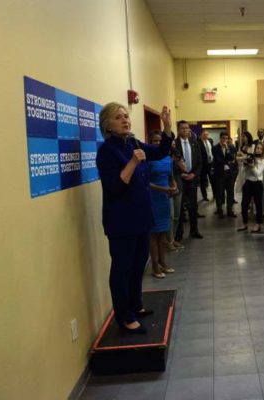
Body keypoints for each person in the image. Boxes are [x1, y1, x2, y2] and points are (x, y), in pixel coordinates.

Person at [96, 103, 173, 334]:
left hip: (141, 218)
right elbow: (114, 187)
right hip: (121, 222)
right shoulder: (107, 151)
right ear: (108, 125)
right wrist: (132, 163)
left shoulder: (133, 142)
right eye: (118, 117)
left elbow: (159, 152)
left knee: (139, 264)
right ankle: (125, 317)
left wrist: (167, 127)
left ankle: (135, 305)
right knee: (122, 270)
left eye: (126, 116)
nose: (125, 120)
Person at [148, 132, 177, 278]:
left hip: (165, 198)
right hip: (153, 198)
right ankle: (154, 266)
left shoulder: (167, 158)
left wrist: (174, 186)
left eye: (160, 141)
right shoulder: (147, 159)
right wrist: (165, 189)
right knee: (153, 234)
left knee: (163, 233)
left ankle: (163, 262)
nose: (157, 143)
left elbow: (171, 177)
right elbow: (146, 183)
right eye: (154, 141)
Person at [174, 121, 203, 240]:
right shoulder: (174, 144)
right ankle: (179, 232)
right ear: (178, 130)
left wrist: (193, 175)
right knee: (180, 207)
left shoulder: (194, 143)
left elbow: (199, 162)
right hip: (180, 179)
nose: (186, 130)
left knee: (193, 206)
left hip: (192, 179)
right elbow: (173, 162)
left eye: (187, 128)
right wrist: (181, 174)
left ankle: (194, 230)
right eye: (183, 128)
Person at [236, 142, 264, 233]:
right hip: (248, 183)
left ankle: (258, 225)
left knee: (258, 205)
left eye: (260, 148)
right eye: (257, 148)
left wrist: (252, 166)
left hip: (257, 184)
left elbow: (258, 174)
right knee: (244, 204)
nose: (258, 149)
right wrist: (244, 165)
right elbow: (243, 171)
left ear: (263, 150)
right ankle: (245, 223)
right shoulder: (251, 157)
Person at [212, 131, 237, 218]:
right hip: (220, 173)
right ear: (220, 138)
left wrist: (227, 150)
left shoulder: (230, 147)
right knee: (219, 193)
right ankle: (220, 210)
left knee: (230, 192)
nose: (225, 140)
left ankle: (229, 210)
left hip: (229, 173)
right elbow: (218, 160)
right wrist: (228, 161)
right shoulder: (215, 148)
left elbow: (232, 158)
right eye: (223, 138)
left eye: (226, 139)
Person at [198, 130, 214, 201]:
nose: (206, 136)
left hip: (210, 163)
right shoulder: (198, 142)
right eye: (204, 134)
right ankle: (205, 196)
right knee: (203, 181)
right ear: (201, 135)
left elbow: (211, 151)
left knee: (213, 180)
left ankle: (215, 195)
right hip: (203, 165)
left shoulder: (210, 141)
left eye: (207, 134)